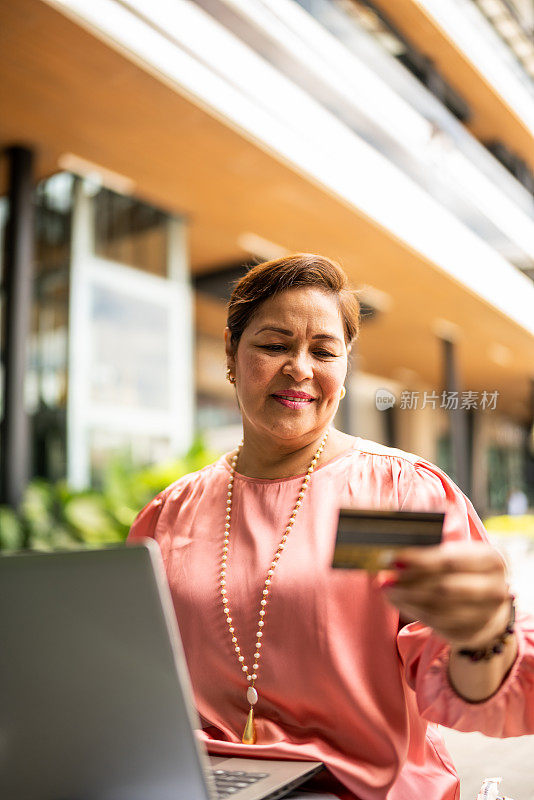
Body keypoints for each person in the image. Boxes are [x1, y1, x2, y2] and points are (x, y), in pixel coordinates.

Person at [128, 254, 534, 800]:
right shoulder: (169, 516)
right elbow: (134, 689)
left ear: (344, 369)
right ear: (231, 350)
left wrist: (485, 639)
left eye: (323, 351)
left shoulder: (393, 497)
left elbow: (471, 692)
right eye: (274, 345)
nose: (300, 367)